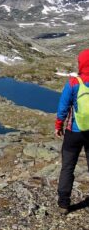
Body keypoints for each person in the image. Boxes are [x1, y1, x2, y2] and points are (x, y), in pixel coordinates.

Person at [55, 49, 89, 214]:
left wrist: (58, 125)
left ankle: (63, 203)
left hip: (73, 132)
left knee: (67, 167)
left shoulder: (74, 82)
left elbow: (63, 107)